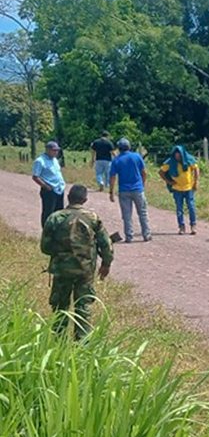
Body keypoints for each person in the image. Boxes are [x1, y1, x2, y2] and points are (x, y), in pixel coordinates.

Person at [40, 184, 114, 339]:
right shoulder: (92, 218)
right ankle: (82, 342)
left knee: (60, 306)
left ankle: (58, 340)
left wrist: (61, 253)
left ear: (68, 198)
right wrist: (106, 264)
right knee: (83, 305)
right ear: (85, 200)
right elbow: (106, 244)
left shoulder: (55, 218)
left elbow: (45, 247)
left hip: (61, 269)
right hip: (85, 269)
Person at [109, 138, 152, 242]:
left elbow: (112, 176)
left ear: (119, 148)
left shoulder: (116, 160)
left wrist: (111, 191)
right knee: (142, 213)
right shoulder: (137, 156)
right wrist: (142, 184)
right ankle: (146, 235)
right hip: (137, 188)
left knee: (127, 215)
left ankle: (129, 236)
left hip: (124, 190)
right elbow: (144, 172)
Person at [159, 145, 200, 235]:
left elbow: (196, 168)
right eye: (176, 155)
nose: (178, 157)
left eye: (179, 155)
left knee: (191, 206)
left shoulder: (189, 159)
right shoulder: (170, 162)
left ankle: (193, 225)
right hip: (177, 189)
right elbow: (161, 171)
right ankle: (181, 227)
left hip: (189, 188)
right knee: (179, 208)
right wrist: (168, 181)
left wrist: (195, 182)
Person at [32, 141, 66, 228]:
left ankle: (58, 229)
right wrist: (46, 186)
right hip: (49, 190)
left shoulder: (55, 160)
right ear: (47, 150)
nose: (56, 152)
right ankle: (46, 230)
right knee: (48, 212)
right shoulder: (40, 161)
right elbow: (35, 176)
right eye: (53, 150)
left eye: (57, 150)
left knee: (59, 211)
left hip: (59, 189)